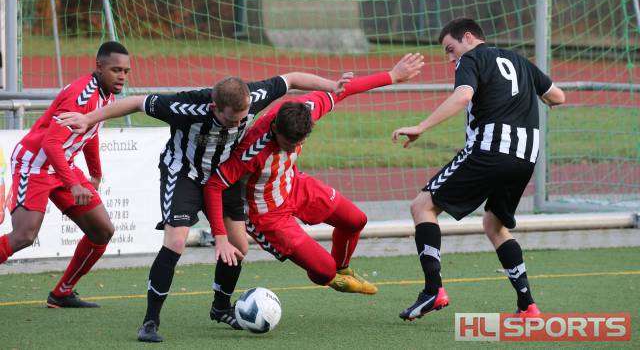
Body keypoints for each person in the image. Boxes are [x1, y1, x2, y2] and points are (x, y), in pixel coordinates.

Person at [57, 70, 352, 342]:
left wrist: (333, 85)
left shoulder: (253, 97)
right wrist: (89, 118)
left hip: (222, 178)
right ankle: (150, 321)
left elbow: (292, 79)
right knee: (176, 241)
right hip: (184, 174)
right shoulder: (185, 107)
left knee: (239, 246)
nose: (239, 124)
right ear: (215, 108)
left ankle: (220, 308)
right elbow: (136, 102)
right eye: (232, 120)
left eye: (243, 118)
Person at [203, 54, 424, 300]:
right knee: (323, 270)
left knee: (355, 220)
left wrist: (393, 76)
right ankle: (331, 275)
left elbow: (344, 90)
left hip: (293, 185)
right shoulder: (251, 151)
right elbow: (214, 185)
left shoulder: (305, 110)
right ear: (275, 129)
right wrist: (220, 235)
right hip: (266, 215)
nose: (294, 147)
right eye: (289, 143)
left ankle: (342, 268)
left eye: (300, 142)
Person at [391, 18, 565, 321]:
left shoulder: (470, 59)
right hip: (525, 157)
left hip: (490, 150)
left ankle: (433, 290)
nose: (450, 58)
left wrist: (421, 126)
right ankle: (527, 305)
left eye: (450, 49)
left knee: (422, 206)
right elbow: (557, 97)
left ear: (468, 37)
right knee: (495, 226)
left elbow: (463, 96)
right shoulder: (519, 61)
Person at [0, 41, 131, 308]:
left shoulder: (107, 96)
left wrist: (95, 174)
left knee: (102, 231)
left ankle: (62, 293)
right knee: (24, 235)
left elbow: (90, 132)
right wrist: (73, 184)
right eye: (116, 70)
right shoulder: (82, 95)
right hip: (35, 164)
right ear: (99, 67)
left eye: (126, 71)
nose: (122, 76)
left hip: (62, 165)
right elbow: (51, 144)